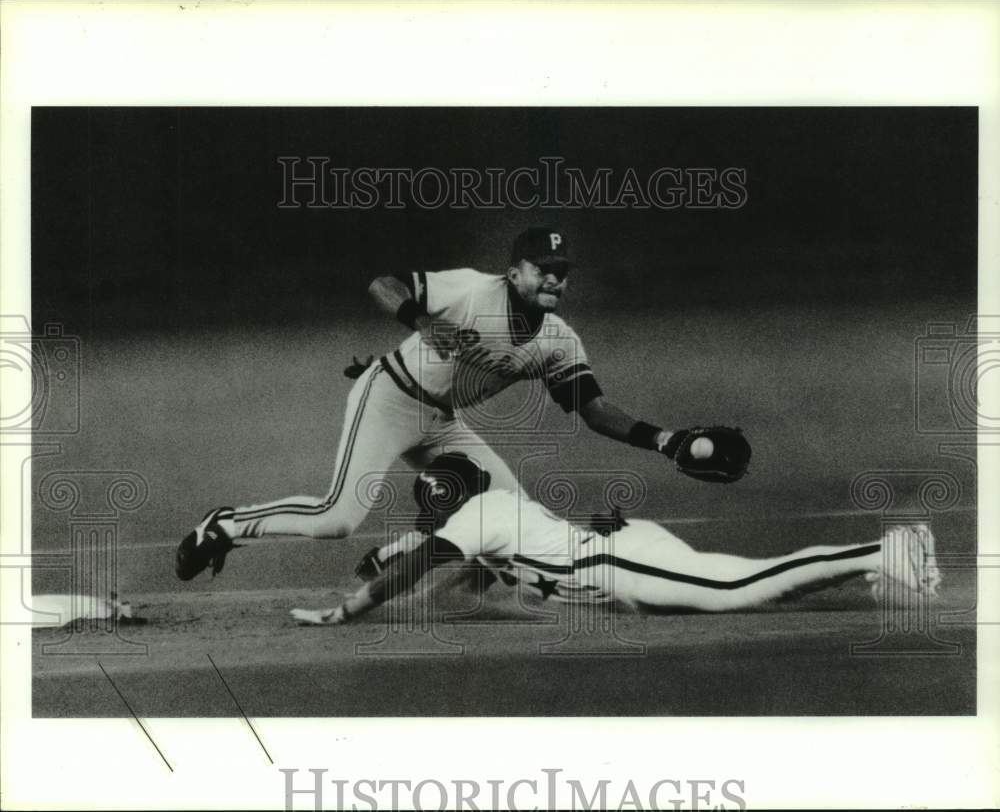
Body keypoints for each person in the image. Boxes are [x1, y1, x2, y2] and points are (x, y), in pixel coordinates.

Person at [176, 227, 746, 581]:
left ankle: (406, 553)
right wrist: (419, 320)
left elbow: (593, 409)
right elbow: (384, 283)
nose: (553, 276)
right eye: (542, 268)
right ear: (514, 270)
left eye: (562, 271)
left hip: (443, 422)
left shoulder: (557, 340)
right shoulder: (474, 289)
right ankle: (225, 524)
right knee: (338, 518)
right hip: (389, 397)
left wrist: (665, 438)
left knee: (518, 524)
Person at [290, 452, 942, 625]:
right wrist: (396, 560)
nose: (431, 505)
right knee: (744, 587)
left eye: (435, 495)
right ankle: (876, 566)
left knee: (739, 589)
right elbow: (452, 579)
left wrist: (350, 608)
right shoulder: (485, 521)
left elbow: (420, 570)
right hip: (621, 552)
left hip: (620, 562)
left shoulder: (478, 515)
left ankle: (888, 550)